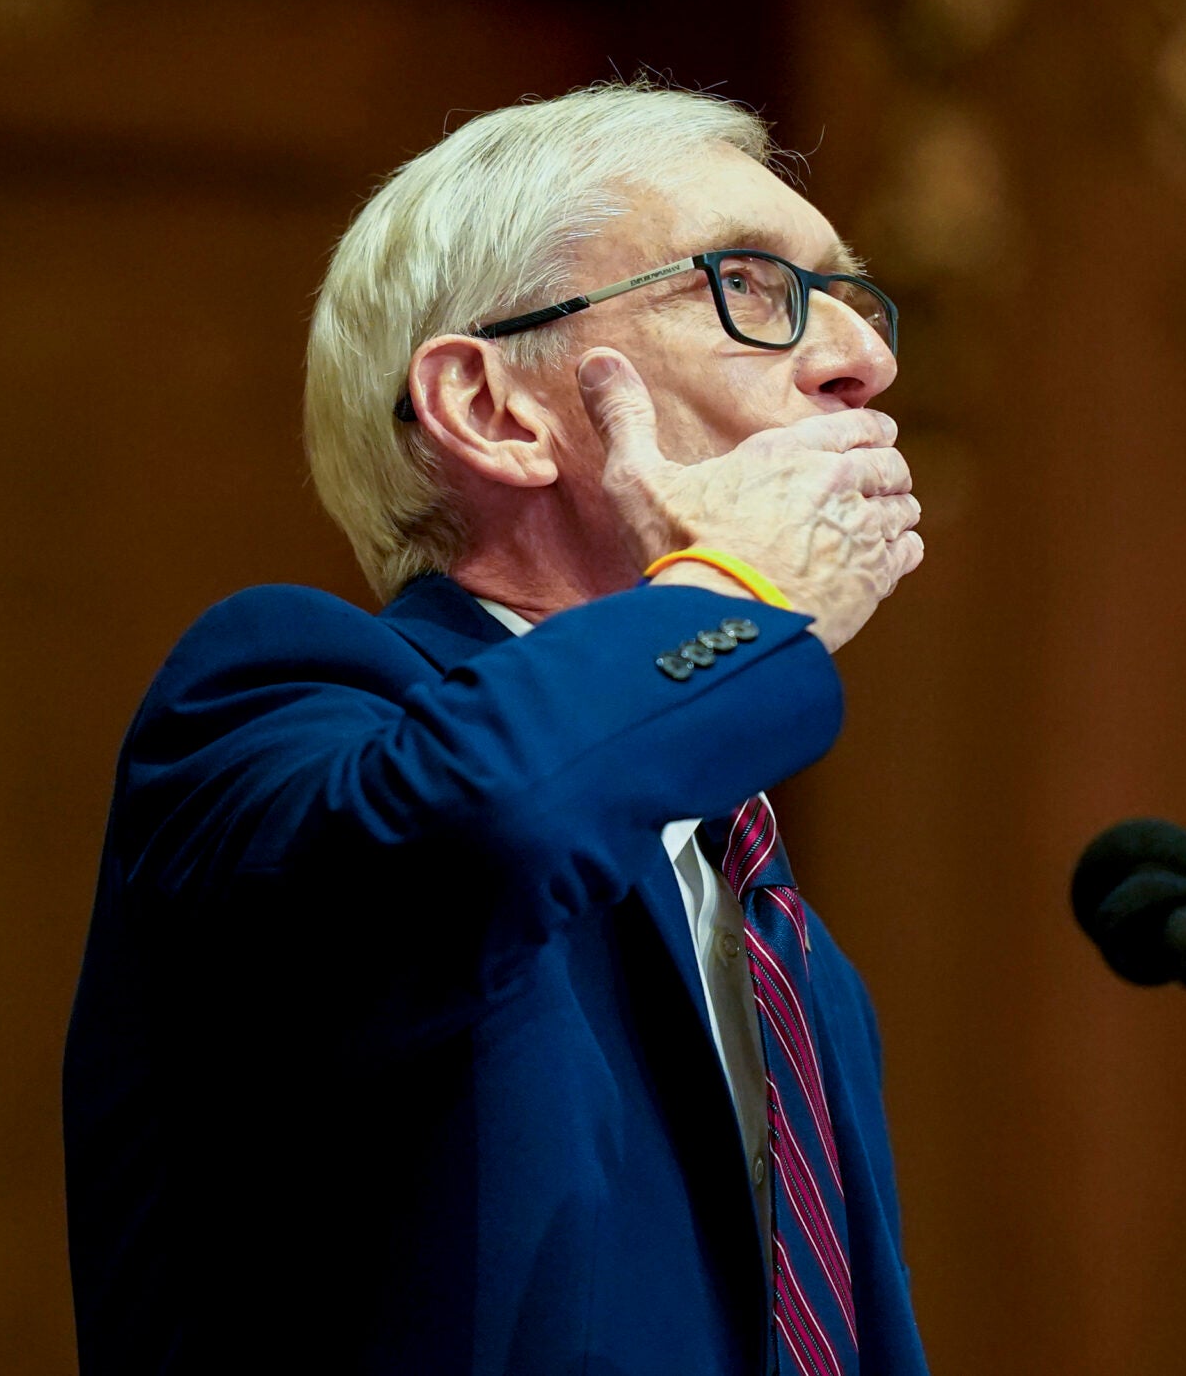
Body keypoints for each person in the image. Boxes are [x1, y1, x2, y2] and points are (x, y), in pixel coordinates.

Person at [62, 84, 930, 1376]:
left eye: (855, 295)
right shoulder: (267, 705)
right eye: (750, 283)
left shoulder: (766, 913)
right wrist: (736, 596)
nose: (864, 357)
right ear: (492, 408)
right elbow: (477, 829)